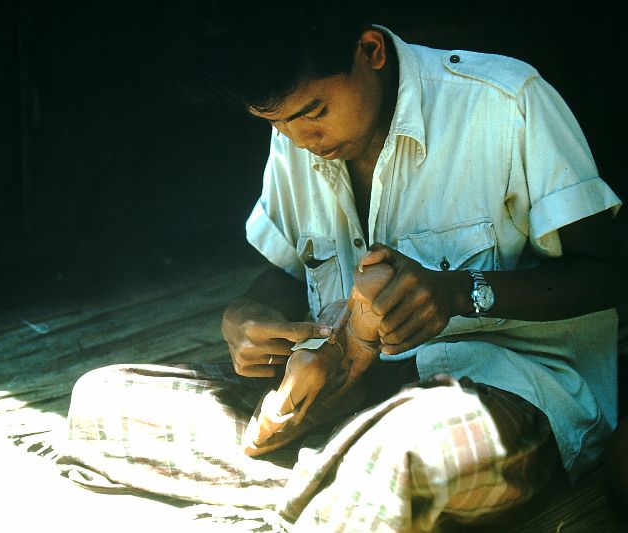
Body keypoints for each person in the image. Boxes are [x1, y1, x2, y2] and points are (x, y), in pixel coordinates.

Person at [59, 3, 625, 530]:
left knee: (401, 452)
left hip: (503, 391)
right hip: (346, 394)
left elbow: (609, 273)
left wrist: (459, 293)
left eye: (314, 114)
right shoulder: (297, 133)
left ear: (370, 51)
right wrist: (248, 315)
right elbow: (288, 268)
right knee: (103, 399)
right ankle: (346, 494)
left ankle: (356, 485)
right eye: (278, 125)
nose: (303, 142)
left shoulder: (505, 101)